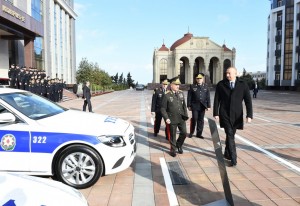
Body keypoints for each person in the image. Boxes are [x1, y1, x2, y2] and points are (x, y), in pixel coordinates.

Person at [213, 67, 253, 167]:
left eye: (229, 73)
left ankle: (227, 152)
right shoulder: (221, 84)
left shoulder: (243, 85)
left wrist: (249, 115)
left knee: (231, 135)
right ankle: (233, 159)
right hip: (225, 113)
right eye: (226, 73)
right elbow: (217, 99)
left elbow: (248, 101)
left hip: (237, 115)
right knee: (230, 134)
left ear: (235, 74)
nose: (227, 75)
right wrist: (216, 113)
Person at [161, 76, 189, 157]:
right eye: (176, 84)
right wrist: (166, 118)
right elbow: (163, 108)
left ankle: (179, 145)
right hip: (172, 118)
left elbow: (184, 105)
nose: (178, 86)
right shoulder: (166, 95)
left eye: (178, 85)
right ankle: (173, 149)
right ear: (171, 85)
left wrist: (185, 115)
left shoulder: (181, 93)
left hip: (181, 118)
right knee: (173, 135)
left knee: (184, 133)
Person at [187, 73, 211, 139]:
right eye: (198, 78)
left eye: (200, 78)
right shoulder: (192, 86)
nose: (199, 79)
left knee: (201, 120)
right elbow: (189, 96)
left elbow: (208, 97)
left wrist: (208, 106)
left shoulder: (206, 86)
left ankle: (199, 133)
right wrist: (188, 105)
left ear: (202, 79)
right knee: (194, 118)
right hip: (194, 105)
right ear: (196, 79)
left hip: (202, 106)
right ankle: (191, 132)